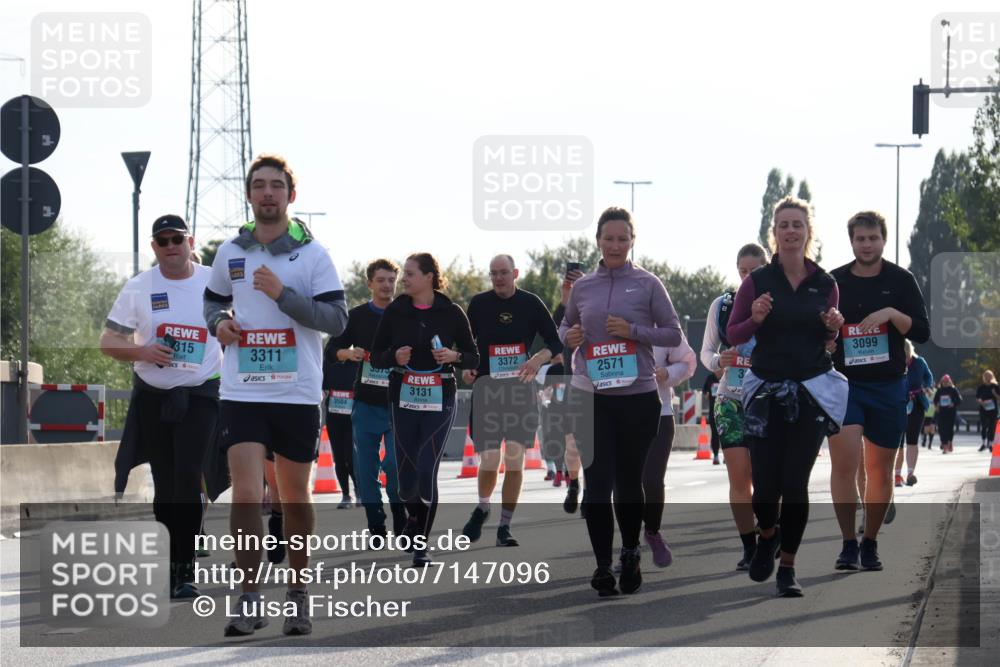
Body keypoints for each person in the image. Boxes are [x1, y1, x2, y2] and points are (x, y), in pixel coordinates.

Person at [204, 154, 348, 637]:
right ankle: (247, 599)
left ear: (291, 196)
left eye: (277, 186)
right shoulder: (230, 251)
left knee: (292, 496)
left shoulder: (312, 255)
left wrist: (283, 295)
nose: (268, 193)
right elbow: (212, 299)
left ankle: (298, 594)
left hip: (297, 392)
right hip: (242, 389)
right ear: (249, 195)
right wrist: (219, 323)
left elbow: (336, 320)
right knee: (246, 493)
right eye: (259, 185)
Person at [558, 206, 683, 597]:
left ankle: (630, 553)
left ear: (632, 242)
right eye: (609, 238)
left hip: (638, 399)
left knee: (629, 484)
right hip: (592, 397)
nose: (615, 245)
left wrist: (633, 331)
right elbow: (564, 326)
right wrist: (571, 337)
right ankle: (601, 566)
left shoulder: (648, 284)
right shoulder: (583, 287)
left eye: (622, 239)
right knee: (597, 484)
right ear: (597, 241)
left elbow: (673, 333)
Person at [727, 195, 847, 597]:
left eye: (798, 224)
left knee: (795, 482)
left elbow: (830, 339)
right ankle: (767, 535)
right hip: (765, 390)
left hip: (810, 389)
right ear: (774, 232)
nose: (791, 231)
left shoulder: (825, 284)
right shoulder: (757, 281)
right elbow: (734, 334)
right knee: (764, 484)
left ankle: (788, 568)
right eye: (784, 225)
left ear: (808, 231)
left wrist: (834, 327)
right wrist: (755, 317)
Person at [102, 214, 223, 600]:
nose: (171, 246)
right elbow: (108, 341)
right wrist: (142, 350)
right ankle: (170, 561)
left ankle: (184, 570)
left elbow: (243, 322)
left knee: (187, 478)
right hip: (153, 398)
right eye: (163, 241)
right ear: (154, 247)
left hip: (201, 394)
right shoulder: (139, 287)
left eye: (178, 239)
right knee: (165, 482)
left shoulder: (213, 282)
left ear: (192, 242)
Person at [827, 211, 930, 571]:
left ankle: (869, 542)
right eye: (860, 239)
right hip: (845, 386)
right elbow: (817, 332)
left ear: (883, 240)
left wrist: (890, 313)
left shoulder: (901, 281)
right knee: (845, 464)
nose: (866, 244)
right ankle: (848, 545)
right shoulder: (834, 281)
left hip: (888, 385)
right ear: (851, 241)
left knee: (881, 470)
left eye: (873, 238)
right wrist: (829, 330)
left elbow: (921, 331)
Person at [370, 253, 479, 567]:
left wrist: (453, 356)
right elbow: (377, 357)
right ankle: (413, 517)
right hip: (403, 396)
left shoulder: (451, 312)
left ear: (429, 277)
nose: (404, 279)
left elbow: (474, 358)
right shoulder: (396, 311)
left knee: (426, 465)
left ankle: (421, 545)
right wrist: (395, 356)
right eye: (404, 274)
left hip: (440, 397)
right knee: (405, 480)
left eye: (410, 274)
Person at [460, 255, 562, 547]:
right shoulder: (479, 304)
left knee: (515, 458)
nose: (498, 278)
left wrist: (538, 358)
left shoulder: (531, 303)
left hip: (520, 391)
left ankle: (505, 526)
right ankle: (482, 506)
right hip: (488, 390)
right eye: (493, 274)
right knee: (491, 459)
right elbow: (467, 343)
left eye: (504, 273)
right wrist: (468, 366)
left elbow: (555, 342)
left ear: (515, 273)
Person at [700, 242, 769, 569]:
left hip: (768, 400)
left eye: (755, 271)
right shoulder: (723, 306)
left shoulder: (779, 304)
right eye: (743, 271)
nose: (747, 277)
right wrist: (718, 360)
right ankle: (749, 546)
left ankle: (770, 532)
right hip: (730, 399)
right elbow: (706, 352)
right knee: (739, 479)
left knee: (767, 478)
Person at [325, 259, 407, 536]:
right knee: (365, 471)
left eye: (391, 280)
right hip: (366, 404)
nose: (386, 285)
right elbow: (332, 349)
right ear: (370, 283)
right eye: (381, 280)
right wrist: (348, 353)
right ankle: (376, 525)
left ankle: (400, 514)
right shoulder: (357, 316)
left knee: (395, 467)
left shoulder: (406, 313)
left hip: (399, 403)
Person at [641, 336, 696, 567]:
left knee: (652, 482)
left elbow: (687, 362)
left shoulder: (661, 324)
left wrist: (668, 372)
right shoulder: (605, 316)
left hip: (659, 413)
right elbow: (582, 361)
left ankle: (652, 532)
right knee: (625, 484)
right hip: (617, 415)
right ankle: (629, 547)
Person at [552, 266, 586, 514]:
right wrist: (566, 295)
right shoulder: (566, 315)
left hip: (601, 386)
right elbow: (555, 329)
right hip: (572, 385)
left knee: (597, 443)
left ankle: (593, 493)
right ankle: (574, 483)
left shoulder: (602, 308)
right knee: (571, 443)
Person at [322, 338, 359, 508]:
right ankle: (345, 495)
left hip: (353, 417)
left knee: (351, 456)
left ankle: (359, 492)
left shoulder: (357, 364)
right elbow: (322, 386)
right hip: (334, 415)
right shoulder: (329, 364)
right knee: (339, 457)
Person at [900, 340, 935, 475]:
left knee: (912, 439)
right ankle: (897, 474)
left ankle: (910, 473)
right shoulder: (895, 362)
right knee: (898, 440)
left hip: (917, 402)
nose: (906, 358)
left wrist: (927, 386)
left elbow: (928, 376)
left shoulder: (919, 362)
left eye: (907, 354)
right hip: (899, 403)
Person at [933, 375, 962, 453]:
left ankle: (950, 442)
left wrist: (953, 404)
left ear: (950, 381)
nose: (945, 383)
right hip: (941, 412)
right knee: (942, 429)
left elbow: (959, 400)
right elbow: (935, 400)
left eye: (947, 381)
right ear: (942, 382)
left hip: (950, 412)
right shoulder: (939, 390)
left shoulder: (953, 390)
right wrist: (936, 405)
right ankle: (945, 446)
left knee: (949, 429)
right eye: (944, 382)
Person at [701, 373, 721, 464]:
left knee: (726, 435)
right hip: (714, 410)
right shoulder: (710, 378)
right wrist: (706, 393)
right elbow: (704, 391)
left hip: (727, 410)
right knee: (715, 434)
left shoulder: (728, 375)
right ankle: (716, 455)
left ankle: (726, 455)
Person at [976, 370, 999, 452]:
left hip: (993, 410)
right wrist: (980, 401)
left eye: (989, 376)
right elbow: (978, 398)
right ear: (983, 378)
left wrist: (995, 394)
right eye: (986, 376)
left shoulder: (995, 386)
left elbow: (999, 398)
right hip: (984, 409)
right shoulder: (980, 387)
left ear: (992, 377)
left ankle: (990, 444)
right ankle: (983, 443)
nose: (988, 378)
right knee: (984, 426)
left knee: (992, 427)